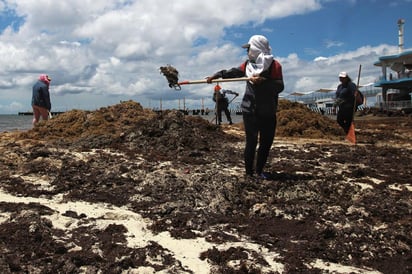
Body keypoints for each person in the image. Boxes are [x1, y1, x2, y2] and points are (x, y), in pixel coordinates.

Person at [206, 35, 284, 179]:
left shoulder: (274, 65)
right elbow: (232, 72)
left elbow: (279, 86)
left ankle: (259, 171)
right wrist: (216, 75)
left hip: (267, 111)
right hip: (250, 110)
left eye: (248, 48)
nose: (247, 51)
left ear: (256, 48)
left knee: (266, 142)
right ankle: (249, 173)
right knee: (251, 141)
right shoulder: (247, 65)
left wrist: (263, 81)